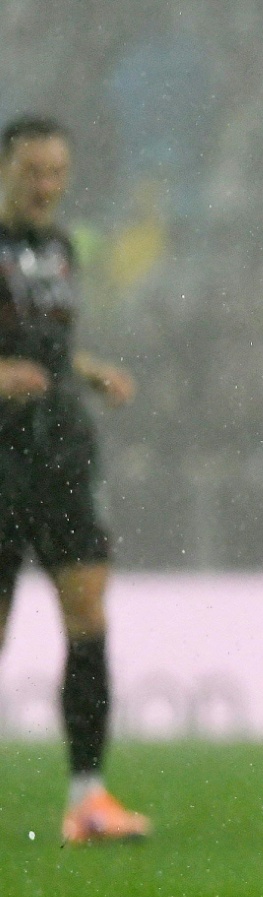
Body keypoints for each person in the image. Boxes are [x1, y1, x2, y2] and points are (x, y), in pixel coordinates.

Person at [0, 115, 145, 846]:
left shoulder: (57, 248)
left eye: (56, 173)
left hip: (60, 452)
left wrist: (89, 371)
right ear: (4, 168)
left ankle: (88, 798)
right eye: (32, 172)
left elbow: (50, 346)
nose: (45, 186)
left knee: (88, 620)